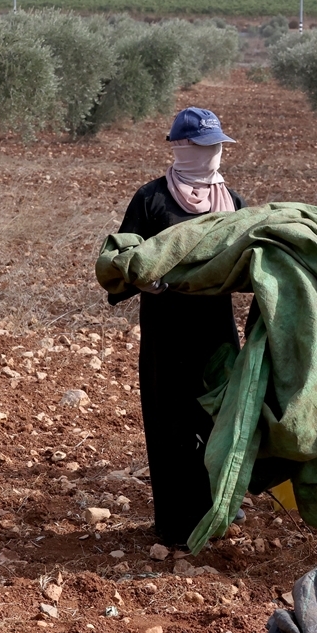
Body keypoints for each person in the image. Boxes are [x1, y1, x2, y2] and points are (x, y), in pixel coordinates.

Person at [108, 107, 246, 546]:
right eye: (206, 147)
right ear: (183, 147)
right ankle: (172, 525)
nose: (214, 155)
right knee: (169, 426)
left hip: (216, 334)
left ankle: (215, 514)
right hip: (167, 337)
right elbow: (123, 260)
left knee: (217, 419)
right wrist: (142, 280)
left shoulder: (234, 204)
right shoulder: (151, 201)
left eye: (218, 147)